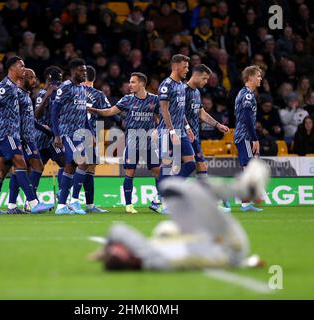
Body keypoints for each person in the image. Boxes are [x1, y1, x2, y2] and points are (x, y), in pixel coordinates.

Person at [89, 159, 270, 271]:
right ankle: (244, 190)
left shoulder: (152, 258)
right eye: (119, 251)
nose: (121, 247)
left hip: (221, 247)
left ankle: (242, 191)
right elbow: (118, 230)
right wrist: (107, 250)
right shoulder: (147, 255)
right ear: (127, 258)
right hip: (228, 243)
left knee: (165, 230)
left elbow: (195, 255)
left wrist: (247, 263)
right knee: (171, 187)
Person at [0, 56, 51, 215]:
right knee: (20, 164)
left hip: (9, 132)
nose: (23, 69)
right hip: (6, 132)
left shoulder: (14, 88)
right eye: (21, 66)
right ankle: (34, 202)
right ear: (12, 68)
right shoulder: (6, 86)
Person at [88, 72, 160, 214]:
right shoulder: (127, 100)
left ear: (142, 84)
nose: (130, 85)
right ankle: (128, 205)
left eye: (133, 82)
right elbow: (110, 112)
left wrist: (157, 130)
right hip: (133, 141)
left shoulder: (154, 100)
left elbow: (160, 116)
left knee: (158, 171)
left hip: (149, 142)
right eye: (130, 82)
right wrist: (95, 110)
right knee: (130, 173)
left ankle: (159, 201)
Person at [183, 64, 230, 212]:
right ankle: (163, 197)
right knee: (183, 167)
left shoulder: (196, 92)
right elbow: (176, 112)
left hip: (194, 137)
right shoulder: (182, 91)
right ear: (196, 75)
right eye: (204, 78)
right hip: (182, 135)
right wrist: (186, 129)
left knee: (201, 167)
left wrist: (217, 125)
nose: (206, 82)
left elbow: (201, 113)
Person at [156, 54, 195, 215]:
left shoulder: (181, 85)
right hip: (167, 132)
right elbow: (164, 110)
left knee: (191, 163)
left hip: (181, 132)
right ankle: (163, 202)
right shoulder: (166, 85)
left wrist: (187, 127)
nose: (187, 70)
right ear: (175, 67)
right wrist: (172, 131)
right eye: (185, 67)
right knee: (166, 167)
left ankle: (165, 193)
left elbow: (180, 110)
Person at [6, 68, 49, 214]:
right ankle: (32, 202)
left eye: (35, 77)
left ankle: (12, 205)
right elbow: (12, 117)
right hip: (23, 138)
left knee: (21, 170)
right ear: (22, 78)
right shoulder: (17, 94)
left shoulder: (26, 95)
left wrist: (47, 131)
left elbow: (30, 119)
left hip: (29, 137)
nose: (34, 81)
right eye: (31, 78)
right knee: (36, 167)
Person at [51, 59, 89, 215]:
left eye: (85, 71)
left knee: (71, 166)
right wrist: (57, 135)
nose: (84, 73)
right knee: (81, 161)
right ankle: (72, 201)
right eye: (82, 70)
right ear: (73, 71)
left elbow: (83, 113)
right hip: (67, 133)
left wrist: (89, 132)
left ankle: (62, 205)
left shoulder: (82, 89)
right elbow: (54, 112)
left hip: (79, 134)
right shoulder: (65, 88)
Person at [81, 65, 112, 213]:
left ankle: (66, 200)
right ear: (94, 78)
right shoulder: (98, 94)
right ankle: (89, 205)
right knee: (90, 168)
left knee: (69, 165)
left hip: (70, 132)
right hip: (90, 134)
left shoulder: (73, 90)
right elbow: (109, 112)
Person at [233, 65, 263, 212]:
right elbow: (246, 118)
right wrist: (254, 138)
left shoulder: (245, 93)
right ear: (250, 77)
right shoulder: (247, 95)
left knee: (249, 169)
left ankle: (246, 203)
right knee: (248, 169)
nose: (260, 78)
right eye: (258, 76)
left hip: (244, 136)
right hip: (244, 136)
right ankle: (242, 201)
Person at [33, 65, 65, 197]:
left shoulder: (60, 94)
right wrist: (47, 96)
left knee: (38, 168)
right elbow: (36, 115)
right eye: (56, 80)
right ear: (48, 78)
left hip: (51, 136)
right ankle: (62, 194)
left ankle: (31, 201)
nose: (58, 83)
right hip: (45, 138)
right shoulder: (41, 94)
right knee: (67, 163)